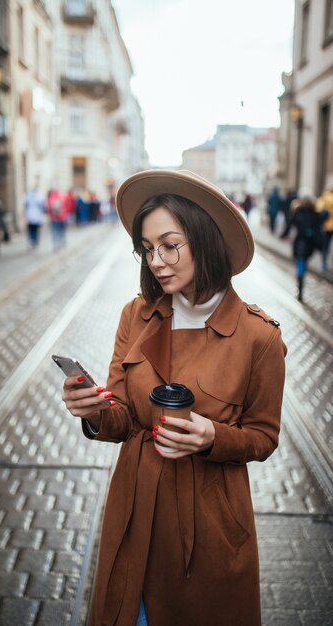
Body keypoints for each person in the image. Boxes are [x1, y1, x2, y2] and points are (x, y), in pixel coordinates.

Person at [62, 169, 287, 626]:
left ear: (204, 240)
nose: (156, 261)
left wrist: (211, 438)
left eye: (169, 245)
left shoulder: (257, 336)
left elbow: (263, 437)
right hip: (135, 507)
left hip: (209, 524)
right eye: (147, 250)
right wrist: (94, 411)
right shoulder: (136, 314)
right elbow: (122, 414)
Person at [281, 190, 326, 302]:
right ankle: (301, 283)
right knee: (303, 263)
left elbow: (289, 224)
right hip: (310, 244)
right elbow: (324, 217)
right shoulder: (315, 213)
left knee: (300, 264)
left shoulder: (298, 212)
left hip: (300, 243)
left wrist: (284, 234)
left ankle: (300, 286)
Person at [315, 185, 333, 271]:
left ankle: (324, 263)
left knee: (325, 246)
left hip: (326, 226)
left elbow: (318, 209)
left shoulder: (324, 197)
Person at [23, 182, 45, 248]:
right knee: (33, 229)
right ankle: (33, 240)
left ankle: (33, 240)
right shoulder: (38, 195)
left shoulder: (30, 195)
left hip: (33, 216)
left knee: (33, 229)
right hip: (33, 216)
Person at [46, 185, 69, 249]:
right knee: (62, 230)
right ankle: (62, 241)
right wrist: (65, 214)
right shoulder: (63, 197)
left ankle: (56, 244)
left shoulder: (50, 198)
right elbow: (67, 207)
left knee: (55, 231)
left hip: (54, 218)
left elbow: (48, 208)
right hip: (62, 217)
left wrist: (50, 215)